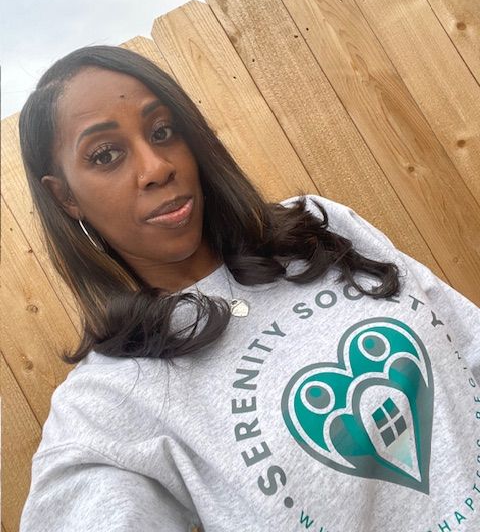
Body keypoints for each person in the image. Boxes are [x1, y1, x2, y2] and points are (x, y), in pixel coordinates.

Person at [18, 45, 480, 532]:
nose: (156, 167)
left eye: (162, 131)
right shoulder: (107, 400)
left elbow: (467, 342)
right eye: (106, 155)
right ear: (65, 196)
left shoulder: (319, 231)